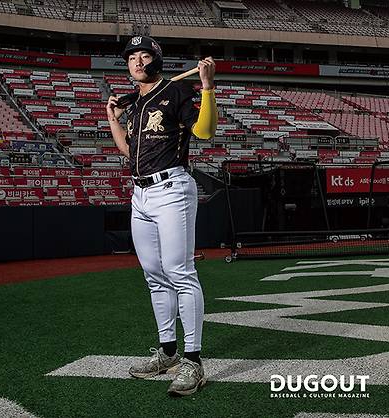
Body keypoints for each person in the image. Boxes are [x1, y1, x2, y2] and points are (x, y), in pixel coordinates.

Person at [105, 35, 218, 396]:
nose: (137, 62)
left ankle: (193, 361)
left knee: (180, 273)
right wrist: (113, 119)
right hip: (140, 194)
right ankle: (168, 352)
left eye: (144, 55)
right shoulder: (136, 104)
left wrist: (207, 87)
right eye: (132, 57)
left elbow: (205, 131)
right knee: (155, 276)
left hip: (171, 189)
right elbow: (129, 152)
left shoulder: (177, 91)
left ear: (156, 59)